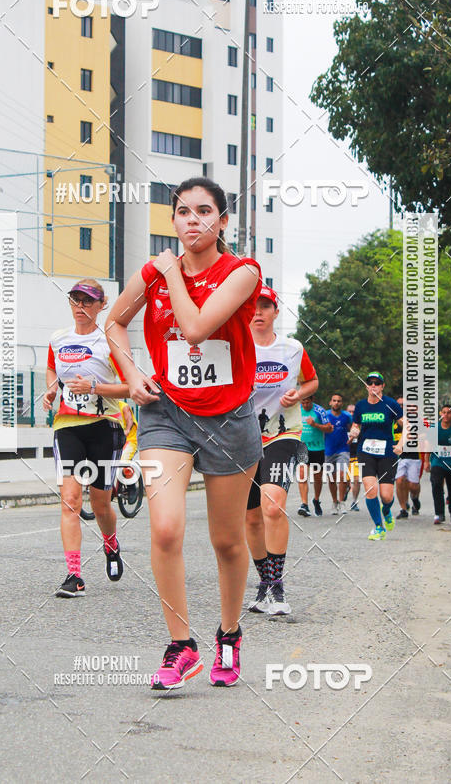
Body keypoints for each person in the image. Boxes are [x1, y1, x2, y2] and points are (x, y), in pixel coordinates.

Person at [105, 177, 262, 690]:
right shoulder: (152, 272)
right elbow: (114, 323)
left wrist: (170, 273)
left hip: (228, 420)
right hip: (165, 414)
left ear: (221, 221)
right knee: (166, 529)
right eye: (182, 212)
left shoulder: (242, 273)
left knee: (227, 541)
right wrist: (131, 376)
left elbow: (195, 329)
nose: (192, 220)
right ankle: (181, 645)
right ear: (172, 221)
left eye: (204, 211)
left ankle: (230, 635)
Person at [43, 279, 129, 597]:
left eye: (87, 302)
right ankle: (74, 575)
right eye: (75, 300)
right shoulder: (58, 338)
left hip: (103, 426)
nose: (80, 307)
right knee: (71, 501)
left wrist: (93, 388)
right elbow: (52, 370)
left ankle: (111, 545)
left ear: (101, 305)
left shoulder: (109, 342)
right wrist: (52, 388)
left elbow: (129, 388)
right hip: (67, 425)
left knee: (101, 503)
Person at [245, 285, 318, 615]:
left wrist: (299, 393)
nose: (258, 312)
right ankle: (264, 584)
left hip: (284, 433)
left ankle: (277, 586)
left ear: (276, 312)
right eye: (253, 306)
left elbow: (312, 381)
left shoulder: (292, 348)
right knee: (251, 517)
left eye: (266, 306)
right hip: (242, 440)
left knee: (272, 506)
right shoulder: (235, 349)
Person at [349, 372, 403, 541]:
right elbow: (356, 425)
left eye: (377, 383)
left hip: (387, 453)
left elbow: (407, 425)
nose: (373, 386)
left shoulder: (391, 404)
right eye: (370, 383)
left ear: (382, 386)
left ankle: (386, 511)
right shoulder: (360, 406)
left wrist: (401, 444)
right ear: (366, 386)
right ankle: (379, 527)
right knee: (371, 490)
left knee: (386, 496)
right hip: (365, 452)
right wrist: (354, 431)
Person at [297, 396, 333, 518]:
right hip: (302, 446)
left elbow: (329, 428)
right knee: (302, 475)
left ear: (312, 400)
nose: (305, 405)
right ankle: (304, 504)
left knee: (317, 478)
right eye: (303, 402)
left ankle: (316, 500)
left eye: (307, 402)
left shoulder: (320, 410)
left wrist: (315, 424)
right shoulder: (296, 410)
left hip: (317, 448)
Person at [394, 398, 424, 519]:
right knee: (399, 481)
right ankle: (403, 508)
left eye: (403, 405)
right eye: (399, 405)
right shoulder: (393, 420)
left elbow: (426, 433)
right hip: (398, 456)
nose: (401, 406)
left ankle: (415, 498)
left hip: (414, 455)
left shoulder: (416, 419)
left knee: (412, 485)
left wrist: (413, 436)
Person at [324, 393, 352, 515]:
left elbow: (352, 428)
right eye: (334, 400)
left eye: (339, 401)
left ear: (342, 403)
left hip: (343, 450)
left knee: (342, 475)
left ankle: (342, 502)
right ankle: (334, 502)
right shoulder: (325, 415)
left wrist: (352, 436)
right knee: (331, 479)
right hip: (328, 450)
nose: (336, 403)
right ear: (330, 402)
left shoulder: (346, 416)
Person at [346, 403, 361, 511]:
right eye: (349, 411)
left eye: (353, 412)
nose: (351, 414)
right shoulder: (343, 423)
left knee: (357, 479)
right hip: (344, 456)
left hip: (357, 456)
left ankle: (354, 501)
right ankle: (346, 488)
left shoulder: (361, 424)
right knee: (345, 481)